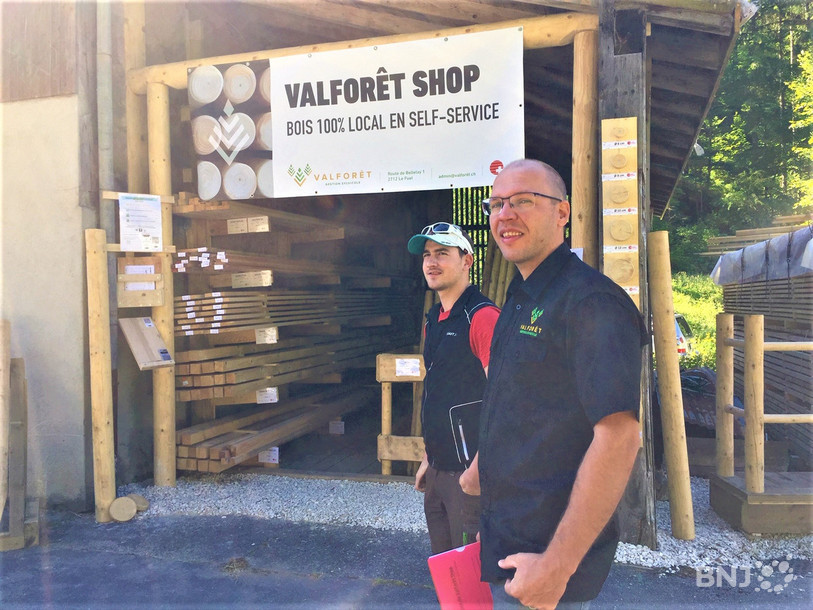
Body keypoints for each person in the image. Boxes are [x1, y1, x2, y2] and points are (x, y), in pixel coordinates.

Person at [464, 159, 647, 609]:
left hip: (546, 564)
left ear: (562, 213)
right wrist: (481, 466)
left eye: (523, 201)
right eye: (497, 203)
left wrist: (556, 567)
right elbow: (522, 401)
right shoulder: (521, 298)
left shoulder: (591, 302)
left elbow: (620, 437)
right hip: (508, 540)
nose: (505, 214)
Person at [407, 222, 500, 554]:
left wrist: (477, 470)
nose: (432, 262)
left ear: (467, 261)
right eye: (427, 255)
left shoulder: (482, 317)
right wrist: (428, 459)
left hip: (471, 476)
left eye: (443, 253)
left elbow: (507, 403)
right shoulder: (435, 318)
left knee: (475, 579)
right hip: (438, 469)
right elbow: (441, 393)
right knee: (448, 571)